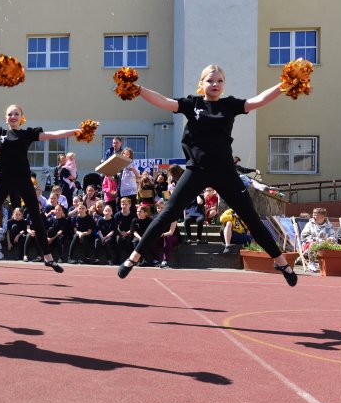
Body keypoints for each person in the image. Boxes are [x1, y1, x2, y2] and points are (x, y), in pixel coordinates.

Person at [117, 64, 298, 285]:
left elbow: (258, 100)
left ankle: (280, 261)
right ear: (201, 84)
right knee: (168, 214)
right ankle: (134, 257)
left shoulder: (229, 105)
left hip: (225, 172)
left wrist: (285, 84)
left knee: (250, 216)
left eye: (220, 81)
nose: (215, 84)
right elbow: (164, 102)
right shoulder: (192, 104)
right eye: (210, 81)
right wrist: (137, 88)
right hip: (196, 171)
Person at [0, 104, 78, 272]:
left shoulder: (27, 134)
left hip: (23, 180)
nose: (13, 116)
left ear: (21, 117)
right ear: (6, 118)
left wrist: (75, 132)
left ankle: (48, 257)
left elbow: (52, 135)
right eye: (10, 114)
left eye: (16, 114)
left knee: (35, 215)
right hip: (3, 180)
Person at [300, 207, 338, 272]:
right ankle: (311, 263)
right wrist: (317, 239)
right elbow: (304, 236)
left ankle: (332, 264)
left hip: (325, 244)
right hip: (309, 245)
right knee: (313, 244)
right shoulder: (309, 224)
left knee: (336, 245)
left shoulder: (329, 225)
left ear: (323, 216)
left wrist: (330, 239)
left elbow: (334, 236)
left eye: (315, 215)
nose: (313, 216)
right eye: (313, 214)